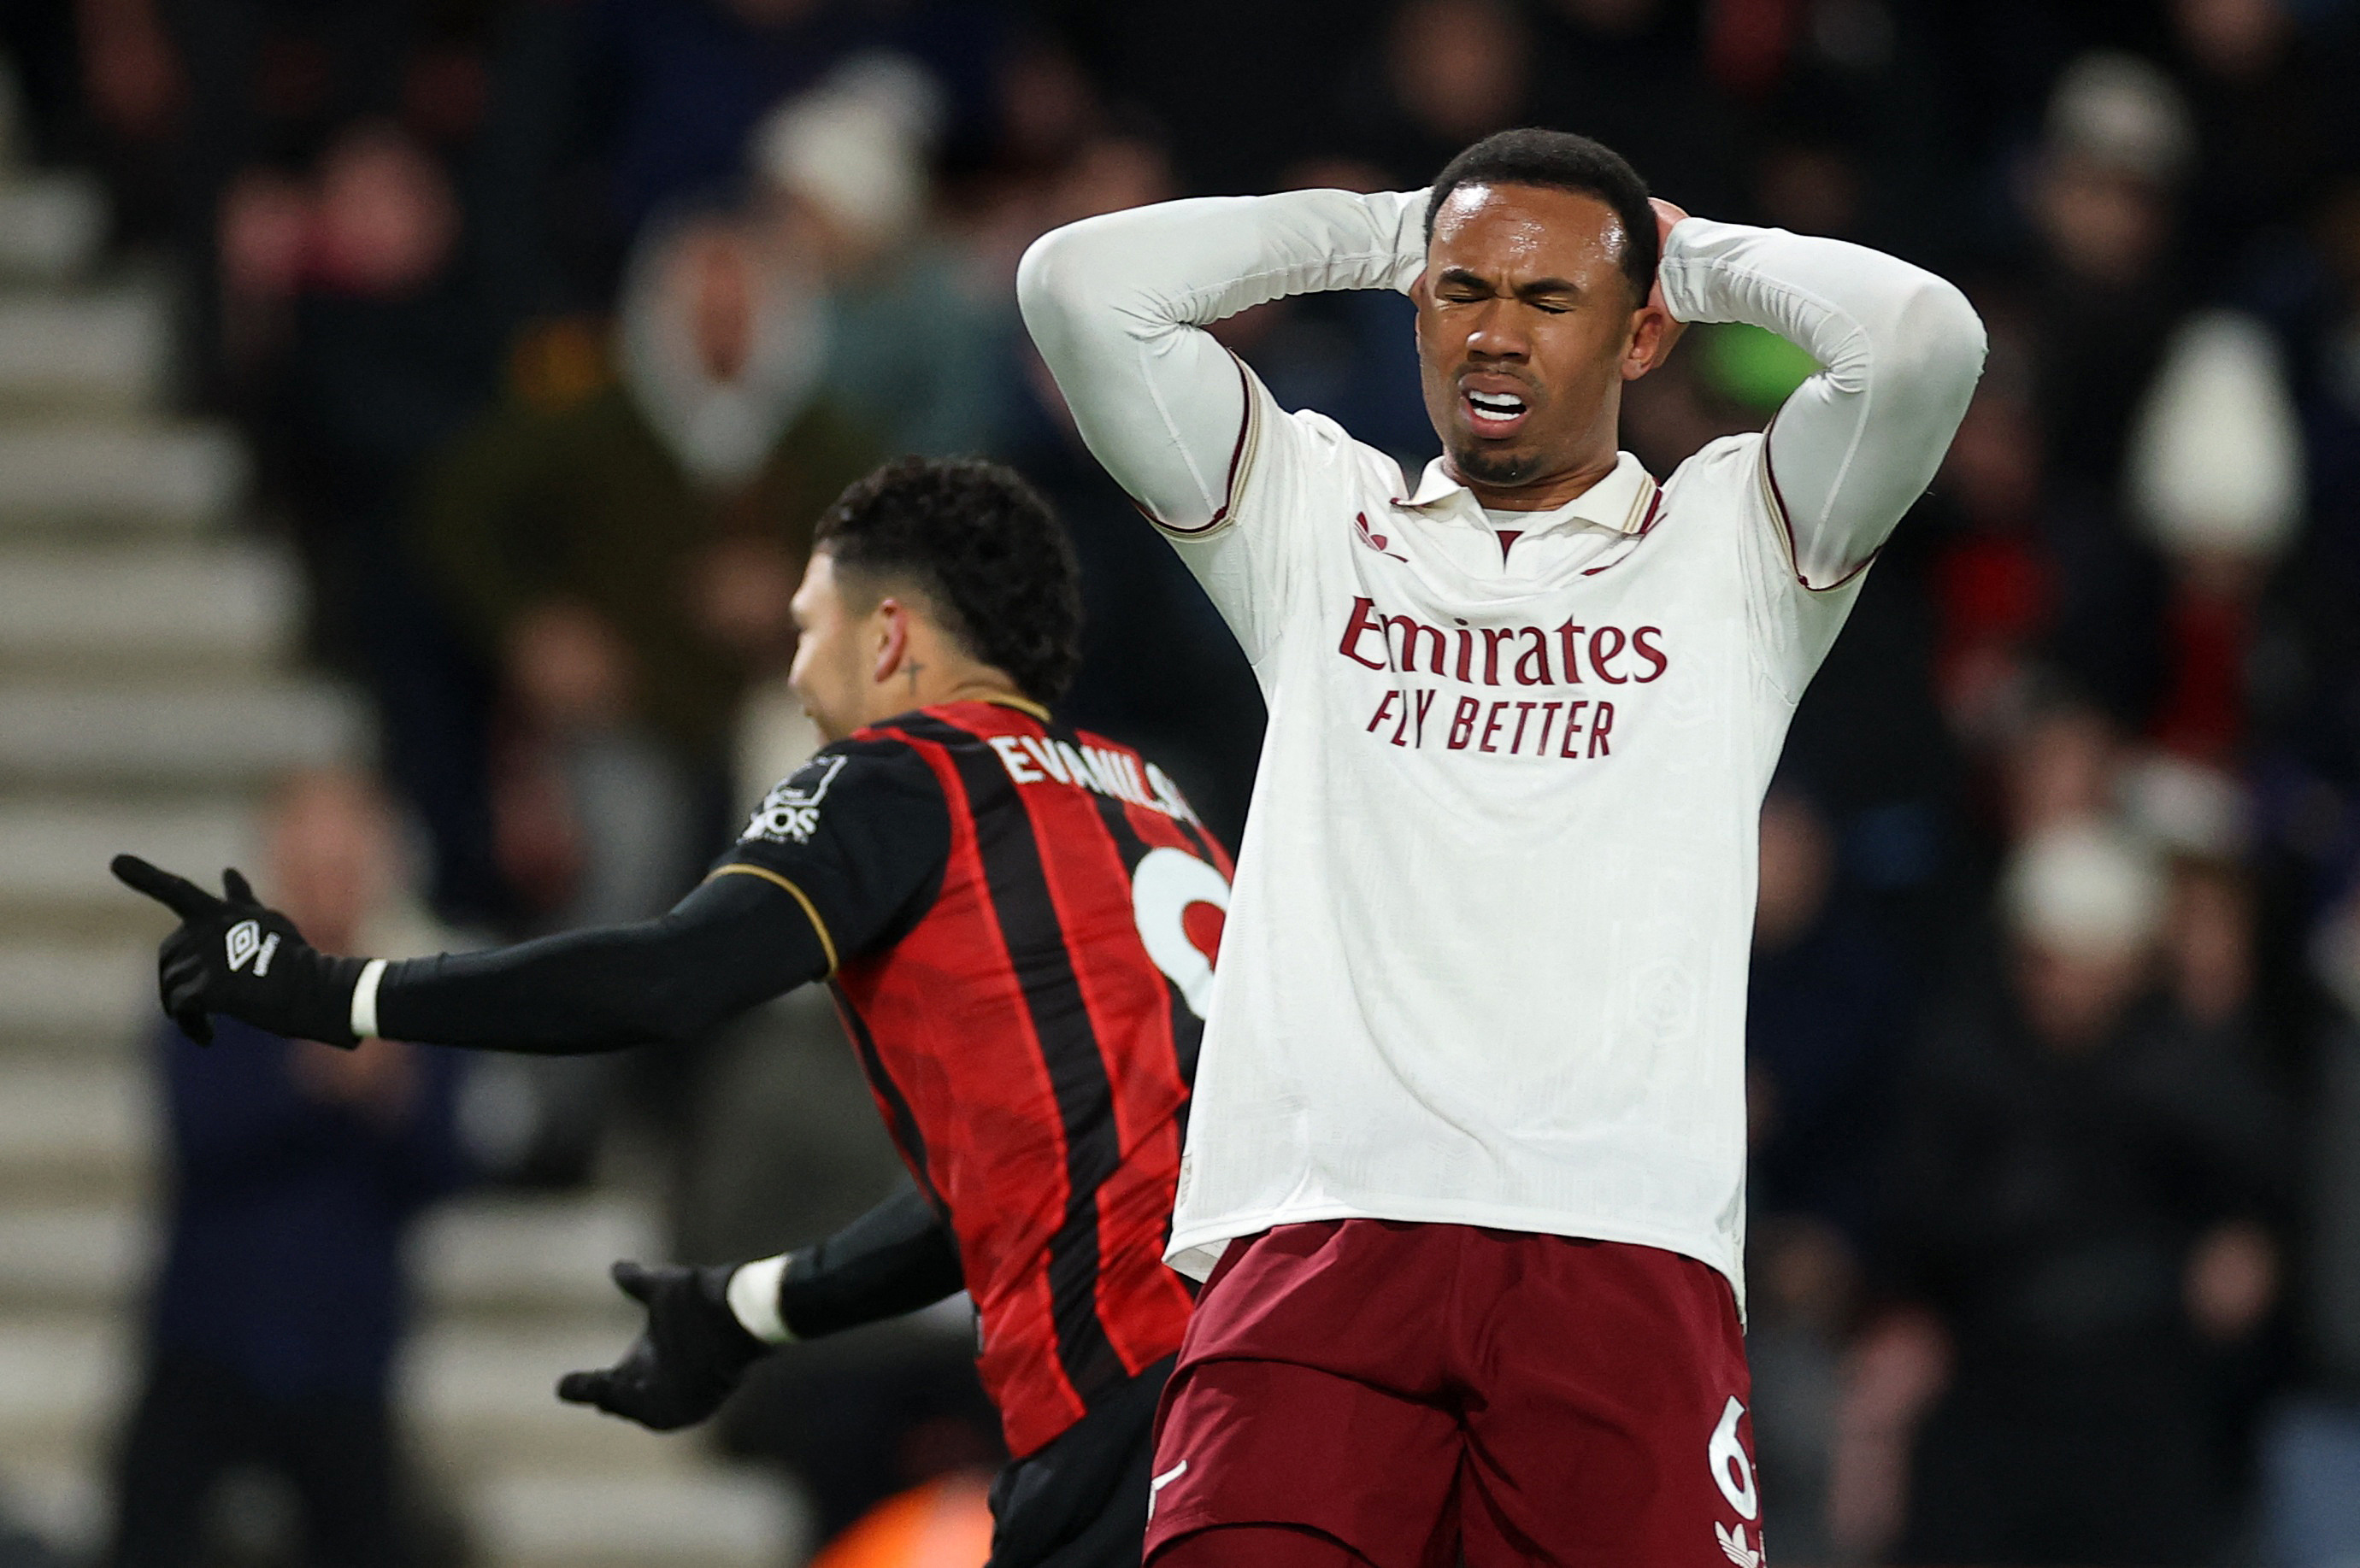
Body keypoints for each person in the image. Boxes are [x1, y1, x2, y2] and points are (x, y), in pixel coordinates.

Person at [1017, 126, 1985, 1565]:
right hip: (1313, 1232)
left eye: (1549, 299)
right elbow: (1075, 285)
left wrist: (1690, 250)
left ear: (1641, 332)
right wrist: (1387, 226)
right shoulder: (1313, 512)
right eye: (1462, 292)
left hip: (1622, 1246)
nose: (1495, 332)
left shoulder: (1738, 544)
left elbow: (1921, 337)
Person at [112, 457, 1233, 1568]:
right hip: (1251, 1367)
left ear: (888, 637)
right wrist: (752, 1306)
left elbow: (669, 974)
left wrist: (338, 991)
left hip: (1121, 1390)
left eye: (809, 629)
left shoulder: (902, 773)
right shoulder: (1161, 802)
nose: (796, 675)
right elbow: (1036, 1178)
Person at [109, 770, 471, 1568]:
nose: (327, 889)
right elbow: (198, 1131)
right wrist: (309, 1081)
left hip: (346, 1348)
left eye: (344, 868)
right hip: (209, 1330)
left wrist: (391, 1101)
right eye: (311, 869)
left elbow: (445, 1166)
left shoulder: (414, 998)